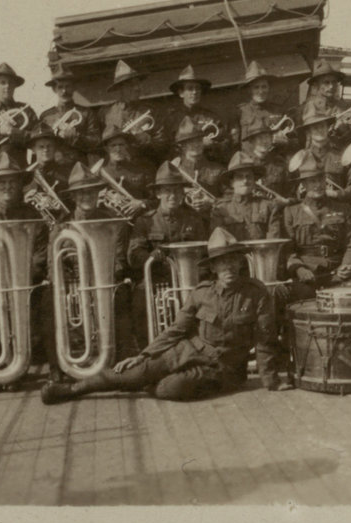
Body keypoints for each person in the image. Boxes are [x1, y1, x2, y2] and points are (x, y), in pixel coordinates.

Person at [40, 227, 287, 405]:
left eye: (232, 261)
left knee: (171, 389)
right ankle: (72, 389)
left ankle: (146, 383)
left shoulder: (257, 294)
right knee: (134, 371)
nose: (229, 267)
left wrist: (271, 380)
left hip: (223, 368)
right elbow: (177, 330)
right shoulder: (202, 293)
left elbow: (265, 341)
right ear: (213, 267)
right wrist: (144, 355)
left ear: (240, 263)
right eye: (222, 262)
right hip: (188, 350)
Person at [0, 152, 51, 385]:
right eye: (2, 182)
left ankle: (22, 364)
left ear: (20, 184)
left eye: (12, 181)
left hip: (26, 282)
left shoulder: (32, 214)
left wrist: (25, 277)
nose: (7, 186)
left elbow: (41, 253)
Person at [51, 161, 136, 359]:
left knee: (122, 296)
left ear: (98, 194)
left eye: (90, 192)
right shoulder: (62, 225)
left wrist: (105, 279)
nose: (86, 196)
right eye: (81, 193)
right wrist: (63, 283)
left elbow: (120, 259)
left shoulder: (113, 221)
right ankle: (61, 362)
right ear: (73, 197)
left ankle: (122, 356)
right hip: (74, 282)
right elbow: (52, 263)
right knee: (51, 301)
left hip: (106, 281)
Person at [127, 161, 209, 350]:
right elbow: (134, 255)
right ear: (158, 193)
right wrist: (150, 256)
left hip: (190, 280)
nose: (173, 195)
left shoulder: (194, 219)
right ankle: (149, 349)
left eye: (178, 191)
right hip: (158, 280)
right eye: (167, 191)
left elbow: (205, 254)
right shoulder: (145, 221)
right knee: (140, 298)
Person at [282, 154, 351, 301]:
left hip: (338, 270)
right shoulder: (291, 212)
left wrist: (347, 265)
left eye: (320, 179)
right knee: (300, 297)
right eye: (312, 181)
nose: (317, 185)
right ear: (303, 184)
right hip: (308, 273)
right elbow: (288, 249)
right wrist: (299, 268)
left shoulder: (344, 208)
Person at [0, 63, 39, 198]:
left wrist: (13, 132)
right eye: (3, 83)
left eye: (11, 83)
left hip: (17, 171)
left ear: (15, 86)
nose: (7, 86)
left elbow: (38, 138)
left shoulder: (26, 110)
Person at [101, 60, 172, 167]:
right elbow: (101, 146)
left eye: (138, 84)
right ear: (120, 88)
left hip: (143, 167)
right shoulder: (106, 113)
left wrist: (148, 140)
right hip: (117, 168)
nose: (137, 88)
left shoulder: (152, 111)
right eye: (131, 85)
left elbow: (164, 145)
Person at [298, 102, 351, 209]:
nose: (319, 130)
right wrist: (300, 191)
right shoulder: (301, 158)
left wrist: (336, 194)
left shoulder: (344, 154)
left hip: (338, 209)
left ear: (328, 127)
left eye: (322, 126)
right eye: (315, 127)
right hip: (311, 210)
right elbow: (293, 191)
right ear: (309, 132)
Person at [38, 63, 103, 166]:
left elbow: (97, 141)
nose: (64, 91)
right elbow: (40, 145)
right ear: (54, 89)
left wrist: (77, 136)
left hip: (79, 164)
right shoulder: (46, 116)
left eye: (68, 86)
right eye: (60, 87)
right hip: (54, 166)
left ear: (74, 87)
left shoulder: (87, 113)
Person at [209, 151, 282, 240]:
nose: (245, 181)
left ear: (254, 181)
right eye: (240, 177)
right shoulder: (221, 209)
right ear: (232, 182)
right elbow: (218, 240)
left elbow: (273, 240)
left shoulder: (268, 206)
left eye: (249, 176)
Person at [236, 60, 299, 156]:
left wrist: (285, 141)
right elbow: (234, 143)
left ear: (269, 88)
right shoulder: (241, 111)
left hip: (275, 160)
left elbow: (295, 141)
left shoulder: (278, 110)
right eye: (256, 87)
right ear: (249, 90)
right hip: (250, 161)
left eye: (264, 87)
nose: (261, 91)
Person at [166, 64, 227, 163]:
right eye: (190, 88)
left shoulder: (211, 117)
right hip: (182, 165)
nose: (194, 92)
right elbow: (167, 146)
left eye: (197, 88)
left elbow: (224, 142)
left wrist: (212, 145)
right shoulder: (172, 118)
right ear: (181, 93)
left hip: (208, 164)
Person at [170, 116, 226, 215]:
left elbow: (232, 200)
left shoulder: (218, 170)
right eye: (190, 142)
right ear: (182, 145)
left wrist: (212, 202)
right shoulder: (173, 170)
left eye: (199, 140)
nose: (196, 144)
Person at [301, 59, 351, 151]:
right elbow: (305, 136)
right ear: (316, 85)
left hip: (338, 153)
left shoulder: (346, 107)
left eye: (334, 82)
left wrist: (344, 130)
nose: (331, 86)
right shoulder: (309, 107)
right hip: (315, 153)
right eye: (326, 82)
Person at [98, 126, 154, 217]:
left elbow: (155, 199)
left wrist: (141, 203)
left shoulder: (141, 170)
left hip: (138, 220)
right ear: (106, 148)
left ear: (127, 146)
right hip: (110, 220)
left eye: (121, 144)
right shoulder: (100, 172)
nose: (118, 149)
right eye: (113, 145)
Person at [243, 118, 292, 202]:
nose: (265, 141)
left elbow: (288, 191)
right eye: (260, 138)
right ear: (251, 141)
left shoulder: (280, 162)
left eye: (267, 137)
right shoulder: (244, 164)